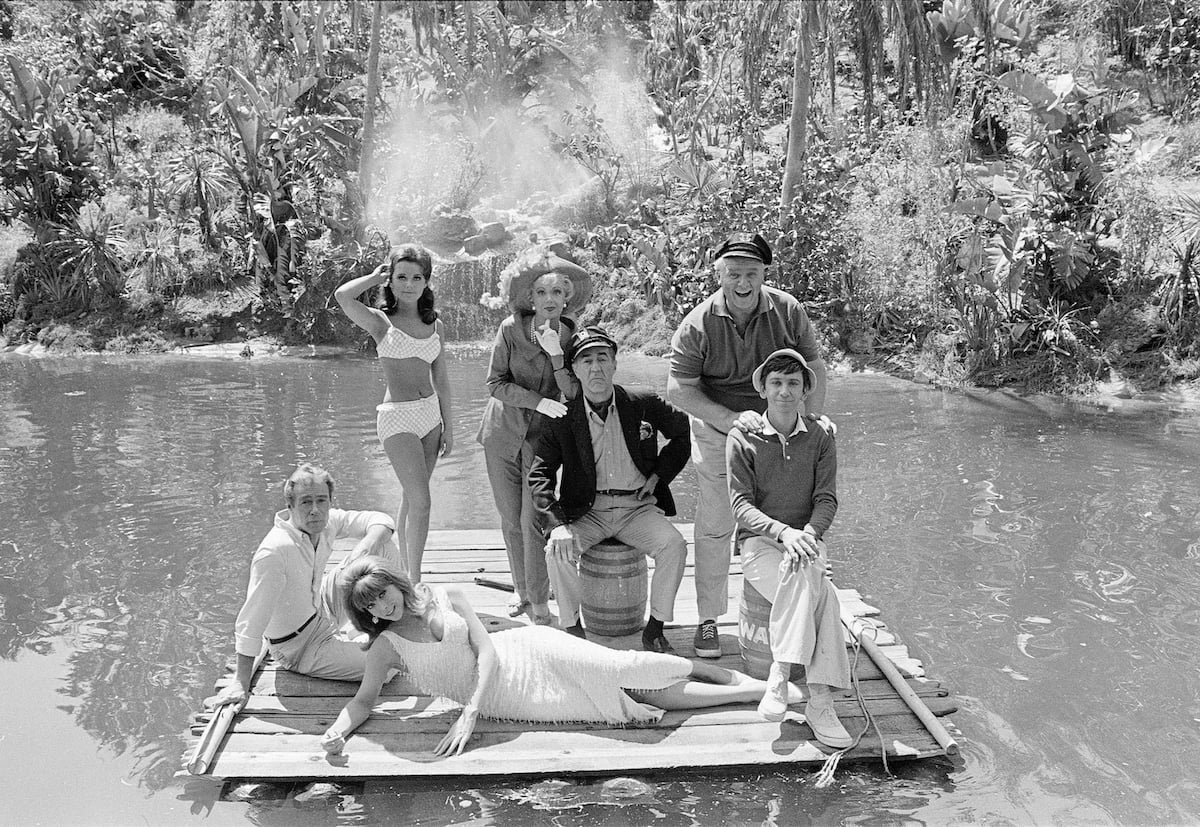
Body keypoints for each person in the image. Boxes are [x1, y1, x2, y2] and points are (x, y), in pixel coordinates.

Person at [320, 557, 789, 757]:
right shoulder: (385, 647)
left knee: (620, 668)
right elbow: (364, 701)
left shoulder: (443, 595)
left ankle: (731, 679)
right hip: (516, 699)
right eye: (370, 606)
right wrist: (337, 732)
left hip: (520, 655)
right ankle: (751, 691)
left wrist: (468, 714)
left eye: (382, 594)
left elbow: (486, 647)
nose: (383, 607)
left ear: (394, 584)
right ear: (366, 615)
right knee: (624, 704)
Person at [666, 231, 834, 659]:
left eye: (752, 274)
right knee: (718, 522)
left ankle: (788, 607)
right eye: (734, 274)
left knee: (787, 512)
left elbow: (813, 364)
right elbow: (678, 390)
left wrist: (810, 417)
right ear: (719, 274)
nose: (743, 283)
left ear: (764, 274)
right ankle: (708, 620)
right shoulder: (698, 323)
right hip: (717, 423)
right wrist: (728, 420)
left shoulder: (788, 310)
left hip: (778, 421)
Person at [527, 327, 689, 653]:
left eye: (603, 358)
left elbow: (682, 434)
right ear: (573, 369)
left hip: (636, 508)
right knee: (556, 552)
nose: (596, 367)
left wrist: (659, 476)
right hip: (589, 511)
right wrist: (557, 526)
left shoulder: (642, 403)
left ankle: (654, 629)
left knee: (674, 545)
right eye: (586, 360)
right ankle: (573, 632)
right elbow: (540, 475)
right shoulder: (562, 417)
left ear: (615, 363)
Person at [727, 349, 851, 748]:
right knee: (821, 592)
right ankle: (819, 700)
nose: (784, 392)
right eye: (776, 383)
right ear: (763, 388)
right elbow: (740, 505)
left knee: (806, 571)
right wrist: (784, 534)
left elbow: (826, 500)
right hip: (761, 542)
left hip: (809, 541)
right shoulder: (742, 437)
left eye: (793, 384)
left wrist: (809, 534)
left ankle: (781, 675)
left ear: (804, 391)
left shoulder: (820, 436)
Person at [205, 464, 396, 712]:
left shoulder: (327, 522)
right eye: (306, 502)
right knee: (388, 666)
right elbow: (251, 620)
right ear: (290, 506)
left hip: (323, 608)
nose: (315, 510)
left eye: (321, 501)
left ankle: (396, 622)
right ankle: (363, 635)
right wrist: (241, 682)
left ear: (329, 502)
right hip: (300, 646)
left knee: (383, 543)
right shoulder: (274, 552)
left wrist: (367, 545)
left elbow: (381, 520)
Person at [476, 249, 591, 625]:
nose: (550, 301)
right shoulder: (510, 329)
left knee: (532, 521)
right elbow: (495, 383)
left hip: (541, 440)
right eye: (542, 293)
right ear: (530, 298)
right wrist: (537, 401)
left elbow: (573, 392)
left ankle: (541, 606)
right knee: (510, 521)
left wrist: (558, 356)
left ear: (567, 298)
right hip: (500, 433)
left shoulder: (572, 335)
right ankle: (521, 591)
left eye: (558, 293)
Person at [335, 245, 452, 580]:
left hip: (430, 416)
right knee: (423, 502)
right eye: (401, 276)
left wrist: (450, 427)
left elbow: (441, 378)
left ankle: (401, 571)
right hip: (397, 419)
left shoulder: (436, 326)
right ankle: (415, 582)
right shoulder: (380, 322)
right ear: (391, 279)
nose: (409, 284)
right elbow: (343, 297)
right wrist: (373, 277)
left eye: (417, 277)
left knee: (411, 499)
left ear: (427, 282)